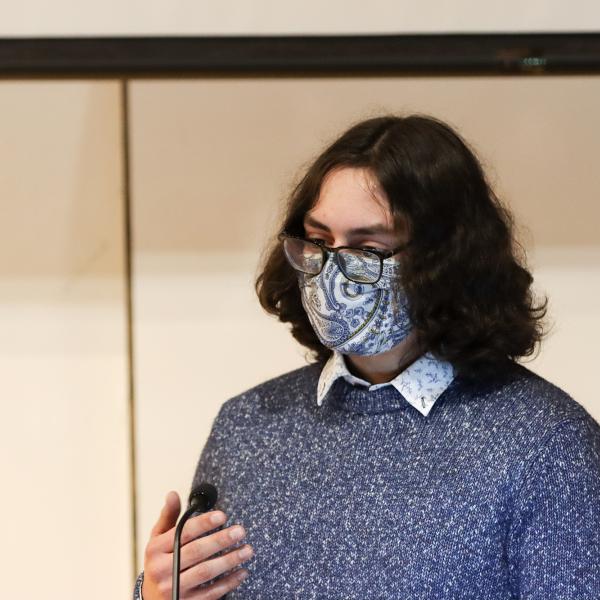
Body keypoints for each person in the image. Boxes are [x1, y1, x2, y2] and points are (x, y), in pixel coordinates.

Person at [134, 114, 600, 599]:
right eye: (318, 241)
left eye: (367, 248)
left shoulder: (546, 448)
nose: (333, 270)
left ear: (445, 262)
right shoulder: (247, 425)